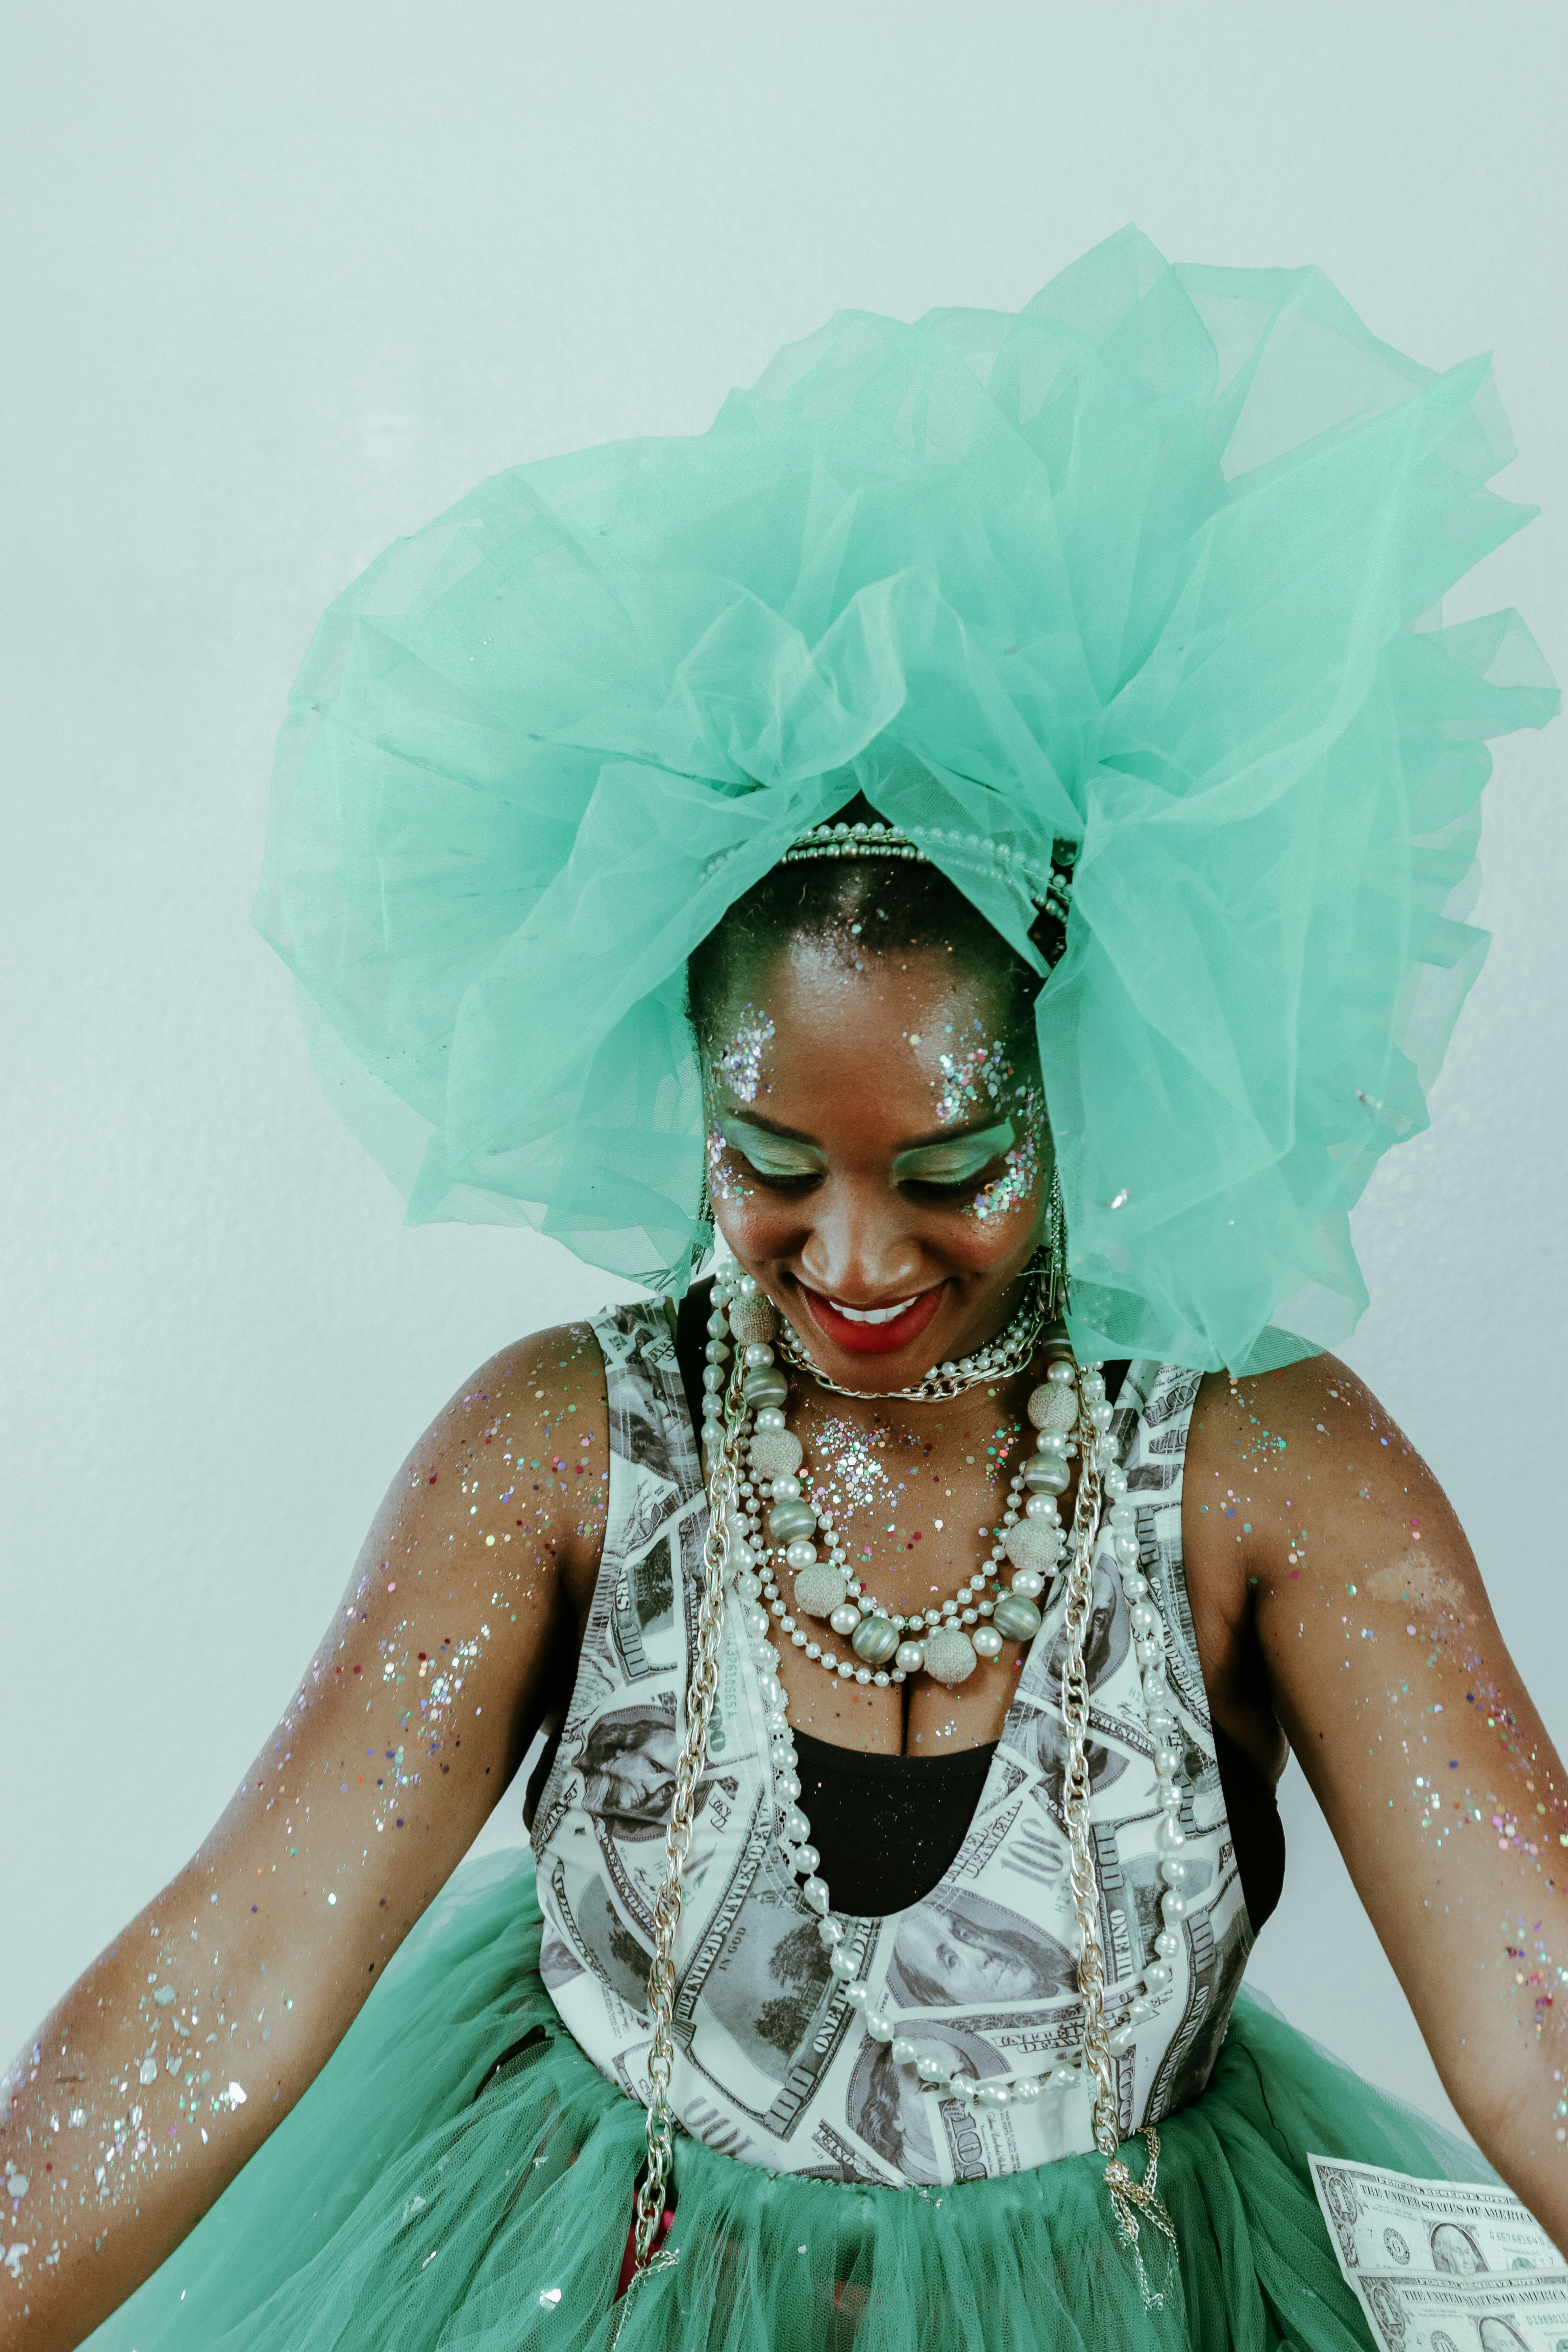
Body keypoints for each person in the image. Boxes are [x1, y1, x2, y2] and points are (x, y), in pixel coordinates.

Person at [3, 227, 1562, 2352]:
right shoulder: (562, 1442)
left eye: (949, 1170)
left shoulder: (1263, 1460)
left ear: (1074, 1072)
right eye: (766, 1168)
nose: (850, 1261)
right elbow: (242, 1955)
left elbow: (1537, 2014)